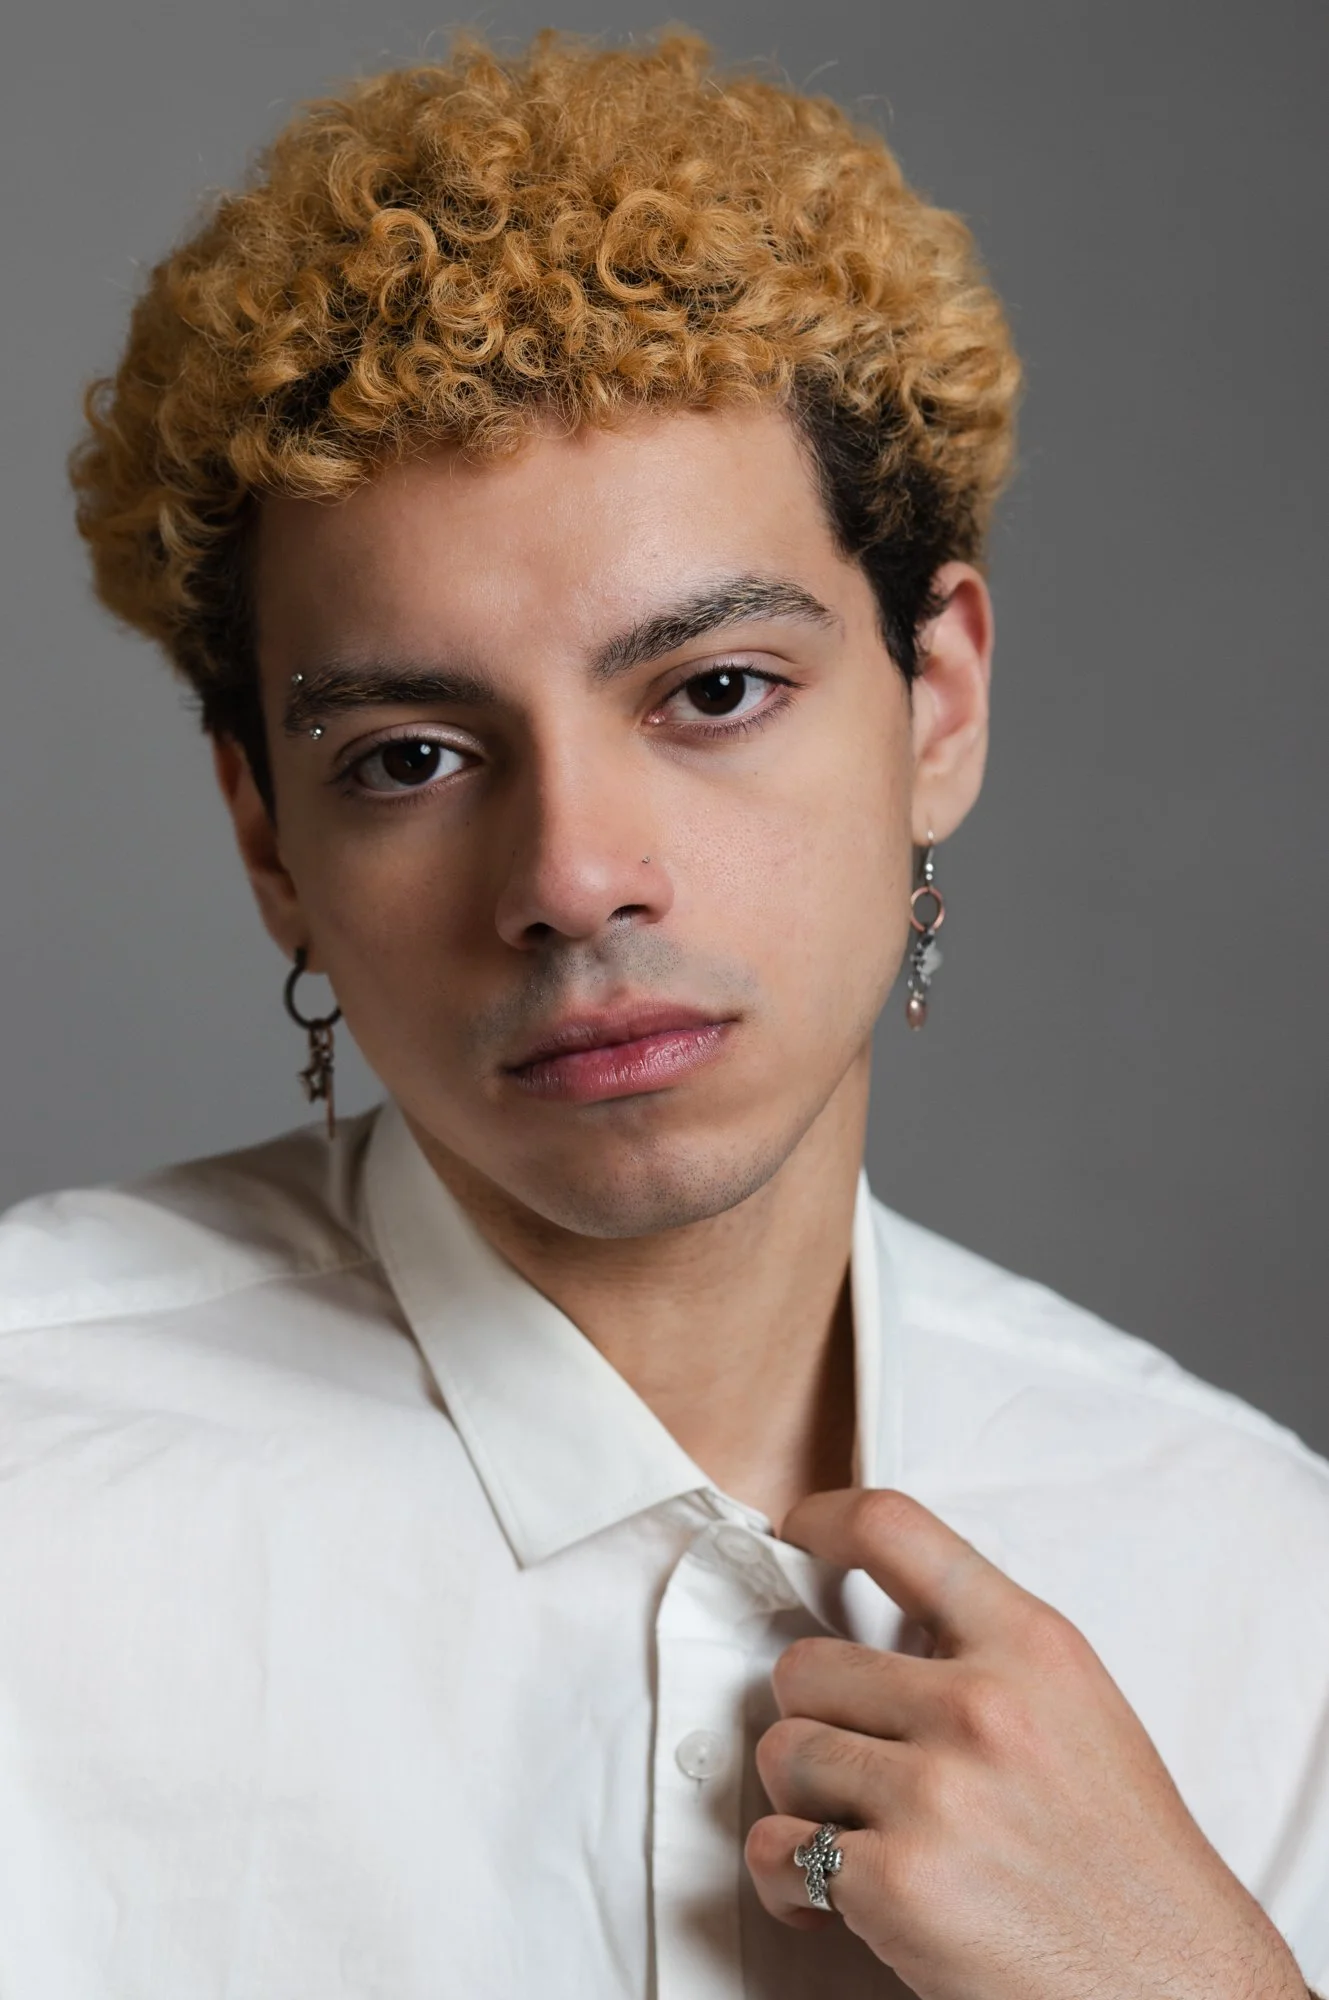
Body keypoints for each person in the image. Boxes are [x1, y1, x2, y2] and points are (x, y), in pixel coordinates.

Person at [0, 28, 1324, 2000]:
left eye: (710, 691)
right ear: (264, 831)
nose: (571, 875)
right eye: (413, 752)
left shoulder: (1254, 1570)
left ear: (936, 700)